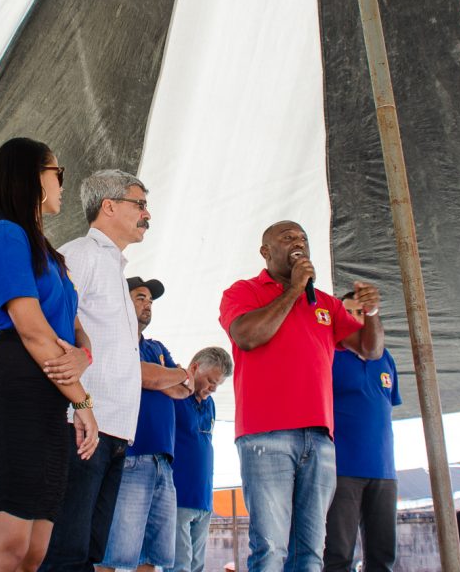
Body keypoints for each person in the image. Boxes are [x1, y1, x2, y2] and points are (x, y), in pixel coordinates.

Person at [0, 137, 98, 572]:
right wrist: (83, 402)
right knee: (5, 548)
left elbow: (72, 327)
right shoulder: (5, 235)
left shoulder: (49, 253)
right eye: (58, 172)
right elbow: (34, 332)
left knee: (33, 552)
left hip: (47, 398)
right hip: (13, 391)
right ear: (31, 176)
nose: (62, 183)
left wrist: (83, 355)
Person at [219, 221, 384, 571]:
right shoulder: (243, 291)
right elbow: (247, 336)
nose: (298, 242)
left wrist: (371, 314)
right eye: (288, 237)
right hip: (266, 436)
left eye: (303, 238)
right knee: (271, 547)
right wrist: (293, 291)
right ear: (266, 252)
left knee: (310, 552)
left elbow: (370, 349)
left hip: (320, 439)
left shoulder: (324, 303)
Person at [42, 169, 151, 571]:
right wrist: (79, 405)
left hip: (116, 432)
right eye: (139, 204)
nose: (147, 215)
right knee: (64, 552)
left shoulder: (115, 270)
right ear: (109, 206)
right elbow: (53, 325)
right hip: (84, 427)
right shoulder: (81, 255)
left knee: (88, 553)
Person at [99, 277, 191, 571]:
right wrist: (166, 375)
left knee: (155, 555)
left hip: (163, 461)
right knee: (113, 552)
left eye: (150, 300)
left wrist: (163, 376)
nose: (148, 304)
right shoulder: (110, 338)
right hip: (129, 457)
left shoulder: (156, 346)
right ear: (122, 301)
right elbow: (148, 375)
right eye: (140, 297)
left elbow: (185, 386)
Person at [324, 292, 402, 572]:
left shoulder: (385, 357)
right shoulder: (328, 352)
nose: (355, 317)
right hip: (341, 469)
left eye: (362, 311)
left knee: (383, 556)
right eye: (349, 312)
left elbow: (387, 406)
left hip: (384, 470)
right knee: (337, 554)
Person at [171, 346, 233, 572]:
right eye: (210, 380)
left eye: (218, 384)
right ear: (195, 368)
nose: (213, 388)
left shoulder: (210, 403)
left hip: (204, 500)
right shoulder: (173, 394)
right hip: (177, 498)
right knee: (179, 566)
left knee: (196, 566)